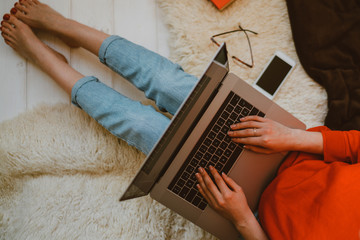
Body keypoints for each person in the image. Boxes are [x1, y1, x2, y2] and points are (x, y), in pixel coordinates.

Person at [1, 1, 359, 239]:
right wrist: (290, 137)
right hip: (285, 147)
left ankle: (53, 66)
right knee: (170, 83)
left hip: (243, 201)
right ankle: (69, 28)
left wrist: (242, 219)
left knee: (142, 128)